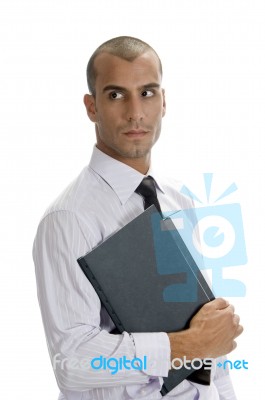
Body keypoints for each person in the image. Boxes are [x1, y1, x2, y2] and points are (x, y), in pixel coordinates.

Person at [33, 36, 243, 400]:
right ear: (91, 106)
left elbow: (207, 333)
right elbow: (72, 363)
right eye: (116, 95)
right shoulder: (68, 218)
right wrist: (185, 346)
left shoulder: (179, 199)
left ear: (164, 102)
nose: (135, 112)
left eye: (147, 93)